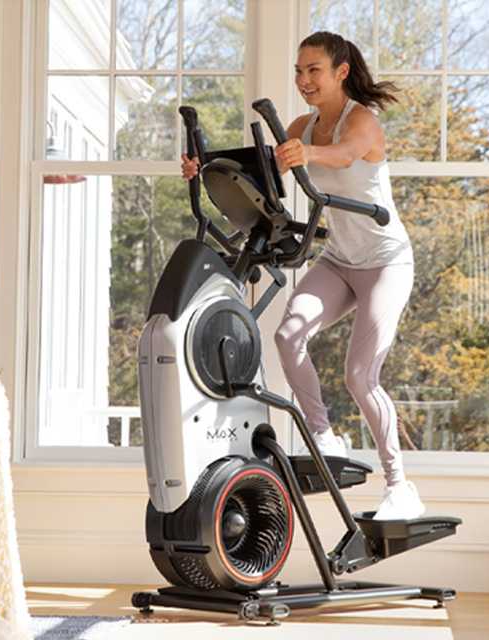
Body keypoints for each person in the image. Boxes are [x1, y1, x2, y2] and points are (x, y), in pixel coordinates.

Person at [181, 31, 422, 521]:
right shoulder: (301, 126)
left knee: (360, 376)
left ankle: (401, 487)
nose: (303, 79)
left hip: (386, 262)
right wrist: (203, 166)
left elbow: (347, 155)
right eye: (298, 70)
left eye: (314, 70)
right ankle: (324, 435)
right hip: (339, 258)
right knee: (289, 335)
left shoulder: (363, 121)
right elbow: (259, 171)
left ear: (340, 72)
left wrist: (305, 155)